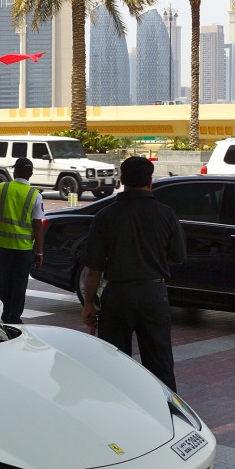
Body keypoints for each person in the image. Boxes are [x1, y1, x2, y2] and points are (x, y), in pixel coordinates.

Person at [80, 156, 186, 390]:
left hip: (117, 296)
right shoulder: (165, 214)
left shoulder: (105, 216)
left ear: (121, 180)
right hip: (153, 293)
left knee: (114, 362)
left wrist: (89, 302)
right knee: (160, 362)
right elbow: (179, 255)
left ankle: (118, 412)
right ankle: (166, 415)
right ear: (150, 182)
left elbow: (94, 267)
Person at [0, 157, 46, 324]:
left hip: (3, 246)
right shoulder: (35, 195)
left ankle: (5, 313)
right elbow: (38, 226)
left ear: (15, 171)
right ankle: (14, 316)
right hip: (24, 249)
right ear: (31, 174)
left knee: (5, 281)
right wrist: (39, 251)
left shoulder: (1, 188)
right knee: (19, 283)